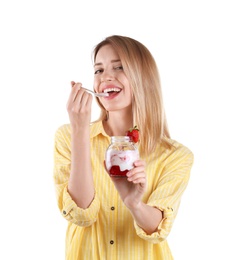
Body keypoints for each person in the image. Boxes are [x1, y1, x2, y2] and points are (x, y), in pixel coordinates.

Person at [53, 35, 194, 260]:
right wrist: (79, 130)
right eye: (98, 70)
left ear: (142, 77)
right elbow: (81, 215)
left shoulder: (175, 155)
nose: (105, 76)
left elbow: (156, 229)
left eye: (119, 67)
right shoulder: (68, 136)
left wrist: (135, 204)